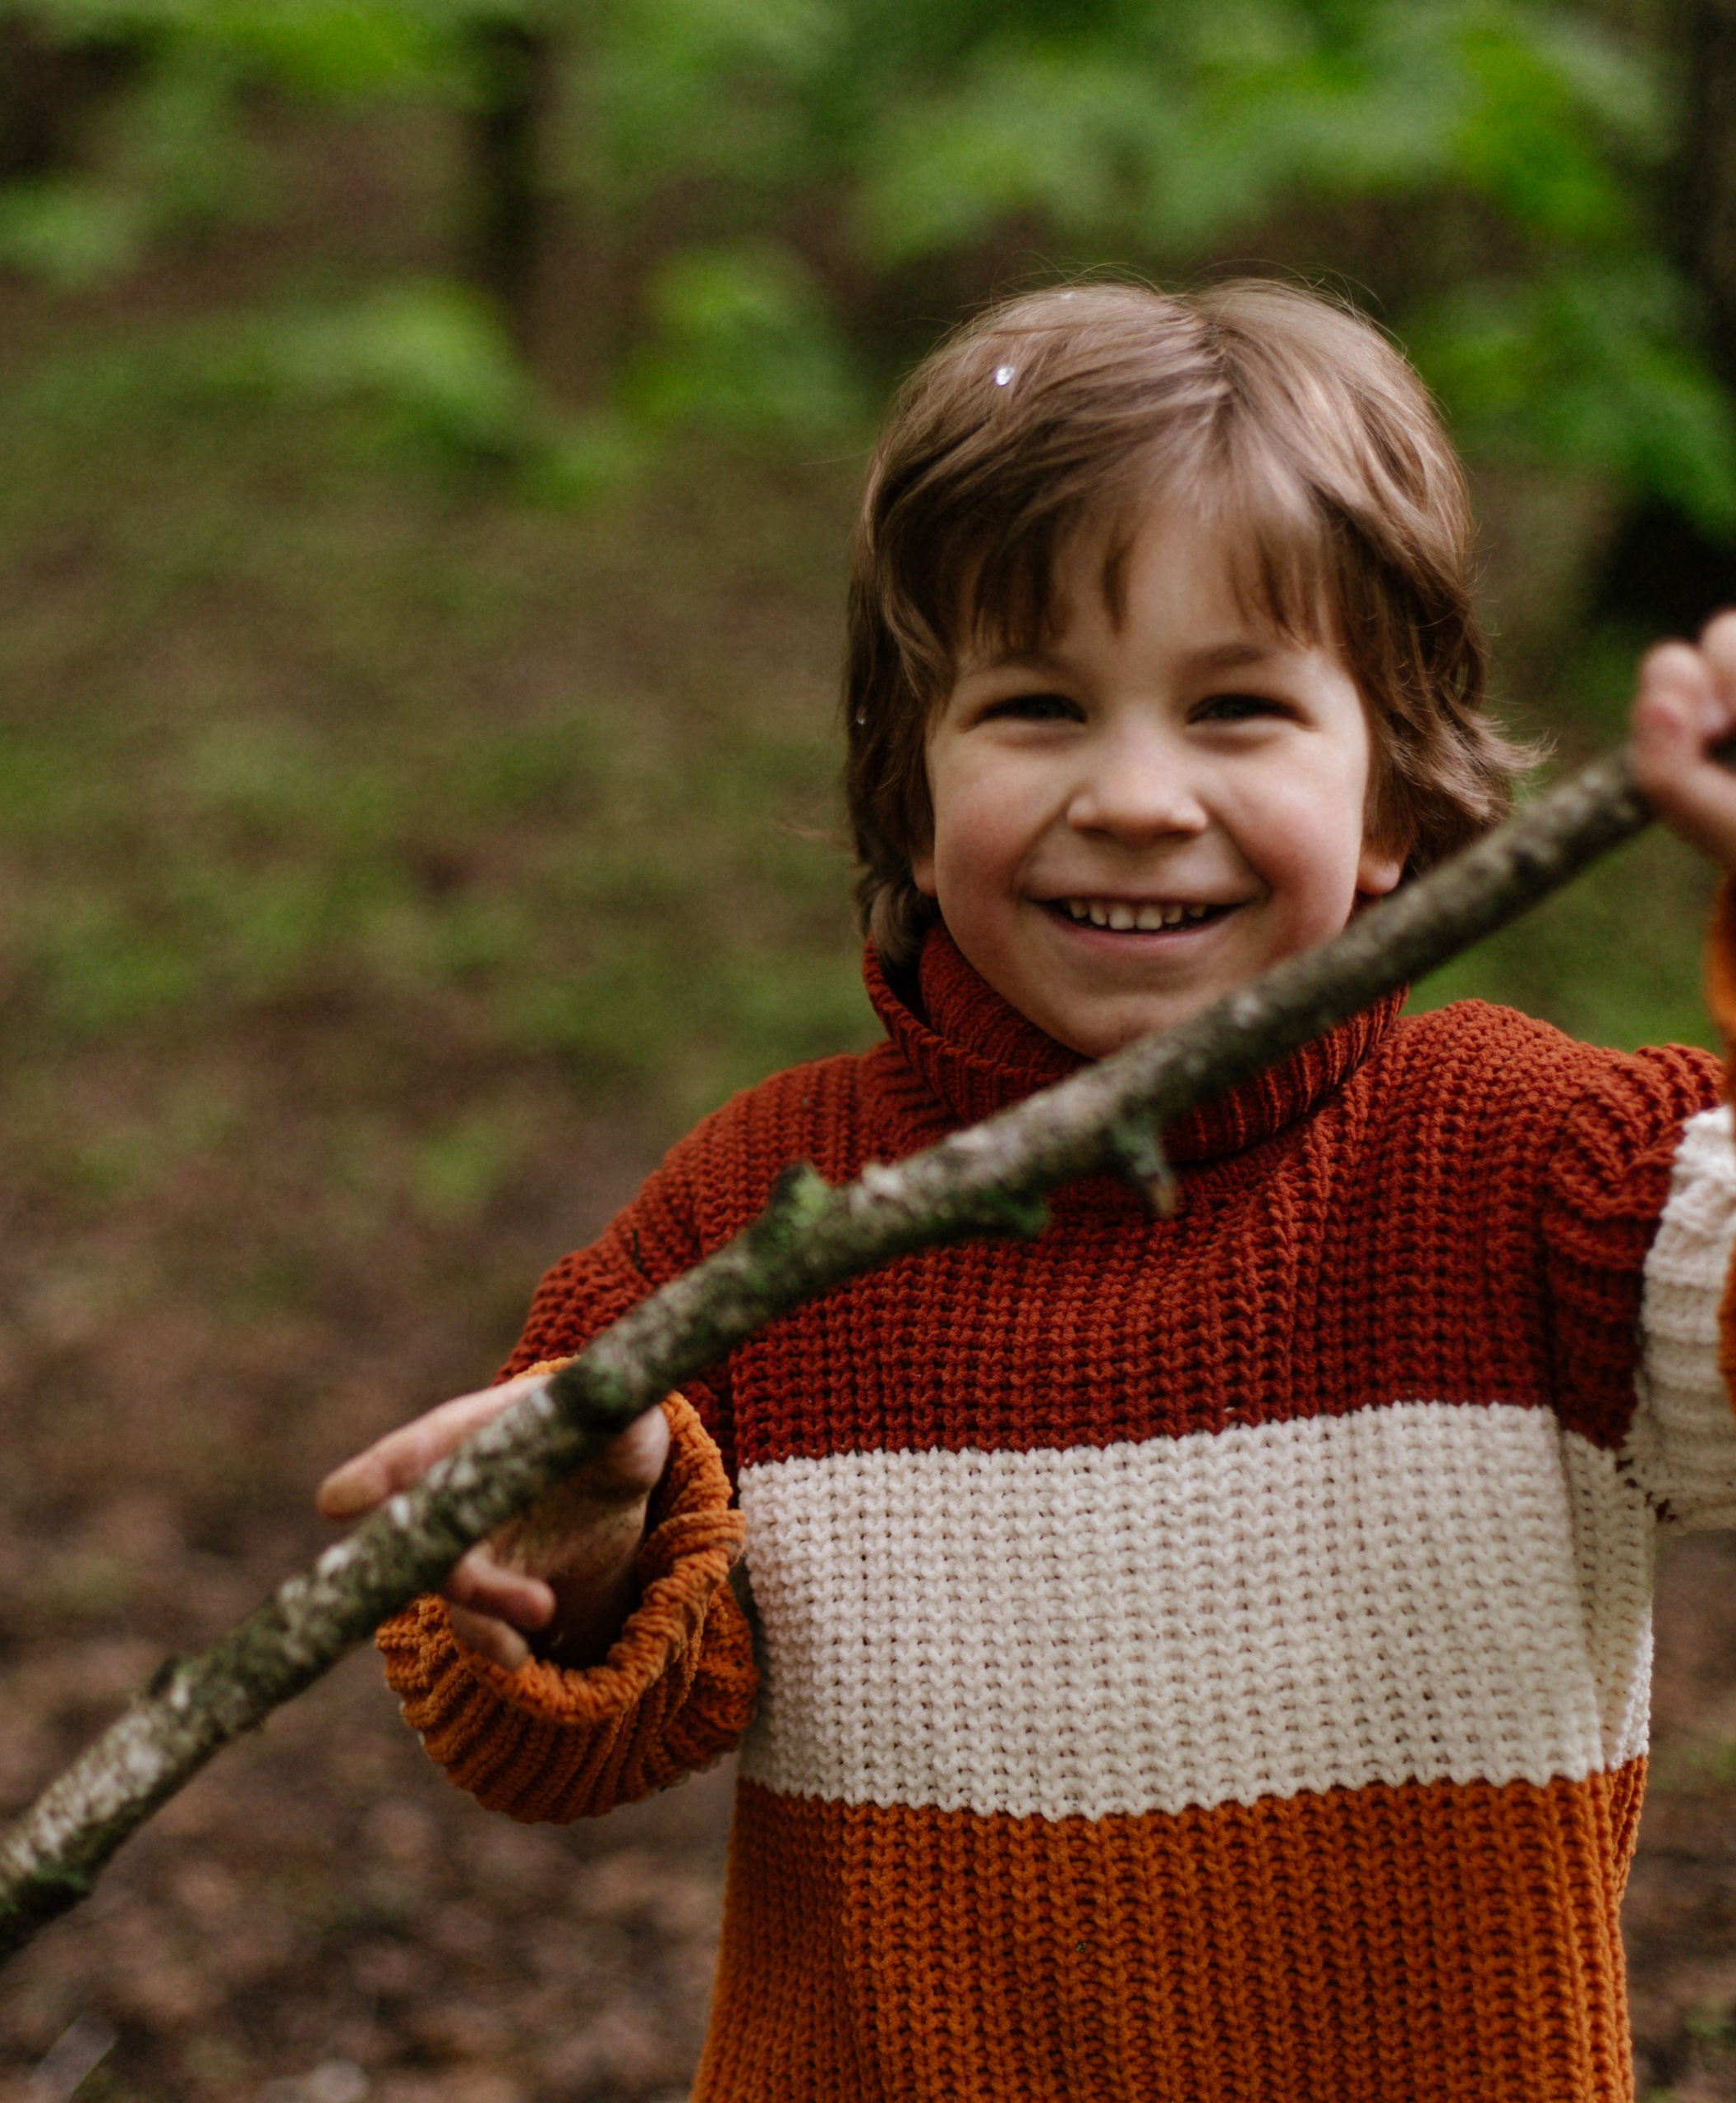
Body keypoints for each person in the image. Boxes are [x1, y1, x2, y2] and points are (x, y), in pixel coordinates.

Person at [316, 279, 1736, 2101]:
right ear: (907, 787)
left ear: (1393, 791)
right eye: (1036, 706)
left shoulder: (1529, 1167)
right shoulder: (767, 1217)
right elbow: (547, 1737)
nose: (1135, 795)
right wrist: (572, 1536)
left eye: (1234, 707)